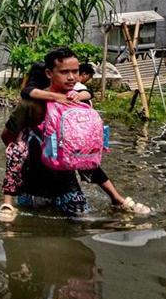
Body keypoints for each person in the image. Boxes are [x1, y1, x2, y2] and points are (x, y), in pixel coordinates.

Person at [17, 61, 151, 215]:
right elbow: (88, 94)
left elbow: (8, 136)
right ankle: (117, 199)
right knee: (82, 218)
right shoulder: (65, 99)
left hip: (37, 179)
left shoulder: (33, 104)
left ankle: (117, 199)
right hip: (65, 172)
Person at [0, 48, 89, 221]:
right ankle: (8, 201)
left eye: (74, 72)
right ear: (49, 74)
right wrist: (22, 151)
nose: (70, 77)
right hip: (34, 182)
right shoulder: (30, 105)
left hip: (66, 181)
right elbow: (7, 135)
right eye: (64, 72)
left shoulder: (77, 102)